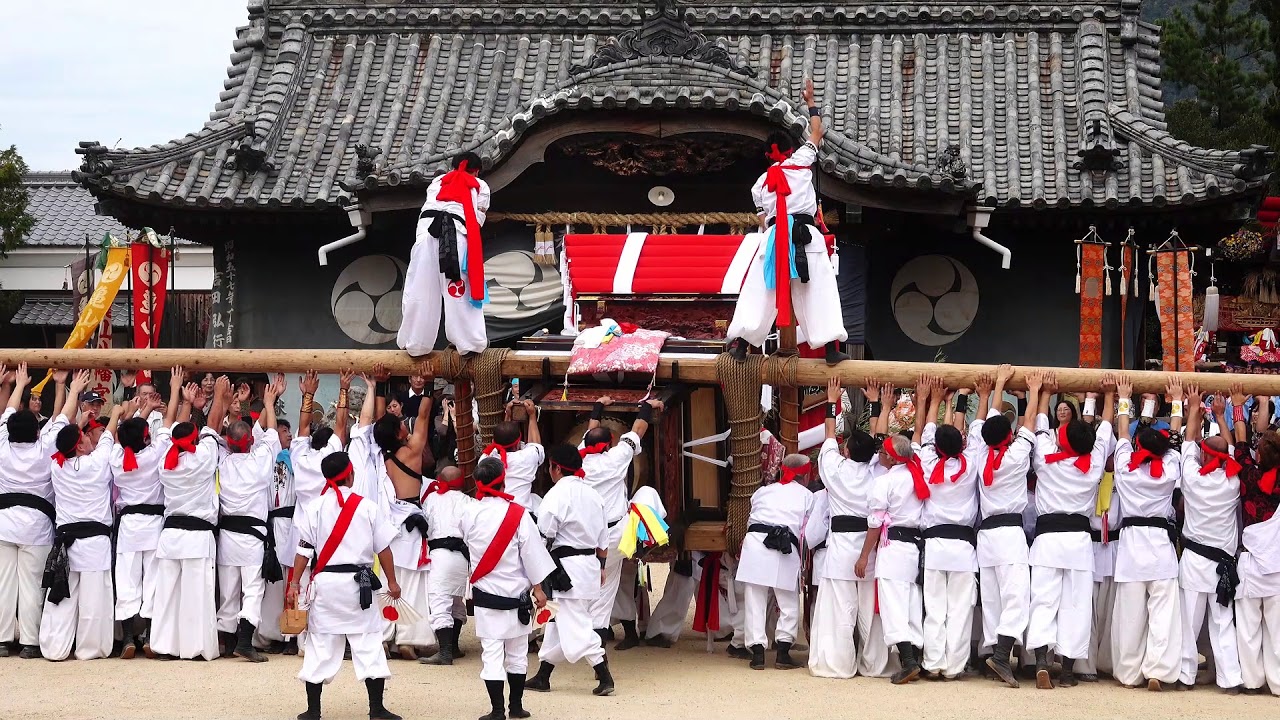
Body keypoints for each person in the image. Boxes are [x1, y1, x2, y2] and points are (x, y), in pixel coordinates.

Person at [725, 78, 848, 367]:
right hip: (805, 236)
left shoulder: (760, 184)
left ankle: (741, 344)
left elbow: (762, 220)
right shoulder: (802, 160)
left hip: (773, 238)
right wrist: (810, 102)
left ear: (769, 156)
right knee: (819, 289)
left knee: (759, 289)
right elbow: (817, 130)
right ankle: (831, 350)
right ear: (790, 150)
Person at [288, 452, 402, 720]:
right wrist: (392, 581)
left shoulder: (314, 508)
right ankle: (377, 709)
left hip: (326, 586)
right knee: (368, 643)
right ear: (350, 474)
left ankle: (313, 711)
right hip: (359, 587)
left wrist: (294, 583)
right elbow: (383, 549)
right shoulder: (368, 507)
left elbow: (303, 551)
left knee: (320, 645)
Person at [1027, 371, 1114, 689]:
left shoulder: (1046, 459)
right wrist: (1109, 396)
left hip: (1048, 540)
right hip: (1078, 541)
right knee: (1076, 604)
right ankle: (1065, 671)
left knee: (1043, 599)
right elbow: (1104, 431)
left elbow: (1040, 427)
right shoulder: (1092, 465)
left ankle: (1041, 662)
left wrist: (1045, 393)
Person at [459, 457, 556, 720]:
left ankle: (497, 710)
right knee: (517, 654)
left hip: (486, 596)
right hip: (518, 598)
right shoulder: (519, 514)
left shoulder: (468, 512)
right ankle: (516, 707)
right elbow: (531, 554)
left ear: (477, 483)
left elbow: (466, 540)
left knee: (491, 655)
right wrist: (538, 589)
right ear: (503, 481)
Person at [151, 369, 232, 661]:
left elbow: (176, 430)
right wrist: (219, 396)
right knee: (197, 593)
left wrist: (186, 403)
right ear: (194, 439)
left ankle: (164, 646)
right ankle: (195, 647)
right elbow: (212, 426)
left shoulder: (165, 461)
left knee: (168, 593)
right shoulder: (203, 457)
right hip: (197, 537)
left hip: (171, 536)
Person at [38, 373, 120, 661]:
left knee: (62, 595)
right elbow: (108, 437)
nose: (87, 435)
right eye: (84, 435)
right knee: (94, 599)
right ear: (81, 446)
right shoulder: (97, 463)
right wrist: (117, 412)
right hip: (94, 542)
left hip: (67, 542)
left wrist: (73, 394)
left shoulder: (57, 466)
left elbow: (61, 429)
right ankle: (90, 648)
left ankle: (54, 647)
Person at [1109, 377, 1183, 691]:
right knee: (1163, 613)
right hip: (1161, 549)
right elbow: (1175, 438)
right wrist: (1177, 401)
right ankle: (1157, 671)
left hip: (1131, 549)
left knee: (1130, 615)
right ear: (1163, 451)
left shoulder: (1126, 468)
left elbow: (1123, 433)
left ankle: (1129, 673)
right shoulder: (1169, 469)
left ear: (1140, 448)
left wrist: (1124, 397)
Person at [526, 444, 615, 696]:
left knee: (576, 627)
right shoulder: (594, 495)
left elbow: (544, 536)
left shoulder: (556, 495)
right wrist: (601, 567)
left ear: (556, 468)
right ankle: (543, 676)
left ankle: (604, 675)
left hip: (567, 571)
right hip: (588, 566)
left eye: (550, 466)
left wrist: (535, 571)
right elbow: (603, 540)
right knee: (558, 623)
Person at [857, 379, 930, 685]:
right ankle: (918, 658)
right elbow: (918, 436)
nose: (881, 456)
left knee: (893, 603)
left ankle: (909, 661)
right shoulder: (918, 470)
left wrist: (864, 556)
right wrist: (922, 401)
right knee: (911, 600)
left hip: (893, 547)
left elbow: (875, 523)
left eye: (883, 453)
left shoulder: (885, 482)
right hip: (913, 546)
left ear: (889, 457)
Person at [808, 377, 881, 679]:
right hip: (868, 547)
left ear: (847, 452)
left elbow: (829, 435)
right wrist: (875, 403)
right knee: (870, 614)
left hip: (840, 548)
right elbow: (876, 442)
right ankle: (876, 665)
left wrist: (831, 400)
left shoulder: (835, 470)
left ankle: (838, 664)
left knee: (840, 611)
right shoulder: (877, 472)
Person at [0, 364, 70, 659]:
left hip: (4, 524)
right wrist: (64, 386)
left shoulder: (2, 446)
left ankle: (2, 640)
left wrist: (18, 385)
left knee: (3, 584)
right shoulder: (45, 449)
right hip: (35, 527)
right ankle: (30, 641)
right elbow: (62, 418)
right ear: (38, 432)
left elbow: (7, 413)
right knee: (31, 585)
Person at [918, 377, 985, 682]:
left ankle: (933, 662)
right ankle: (954, 667)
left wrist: (934, 400)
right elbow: (978, 431)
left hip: (935, 546)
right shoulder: (970, 463)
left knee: (934, 608)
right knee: (959, 609)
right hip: (962, 548)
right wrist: (978, 396)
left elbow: (927, 432)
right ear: (962, 445)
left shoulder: (927, 460)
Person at [970, 365, 1033, 687]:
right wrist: (1033, 392)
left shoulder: (979, 452)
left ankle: (995, 655)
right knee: (1016, 595)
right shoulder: (1017, 455)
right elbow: (1030, 423)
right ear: (1010, 435)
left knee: (993, 597)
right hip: (1008, 534)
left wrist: (997, 386)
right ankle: (1001, 655)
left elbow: (986, 421)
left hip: (986, 535)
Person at [580, 396, 662, 643]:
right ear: (610, 444)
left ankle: (593, 640)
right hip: (616, 539)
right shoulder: (617, 457)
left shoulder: (578, 458)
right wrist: (648, 406)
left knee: (601, 586)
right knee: (646, 494)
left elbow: (590, 431)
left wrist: (598, 405)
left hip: (586, 538)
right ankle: (645, 541)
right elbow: (638, 429)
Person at [215, 374, 285, 663]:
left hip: (227, 537)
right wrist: (269, 402)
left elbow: (235, 433)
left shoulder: (221, 459)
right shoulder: (260, 461)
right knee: (253, 588)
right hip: (252, 538)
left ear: (228, 443)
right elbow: (270, 435)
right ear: (250, 442)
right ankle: (244, 642)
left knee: (228, 591)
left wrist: (239, 407)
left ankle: (226, 642)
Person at [1180, 386, 1245, 694]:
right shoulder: (1232, 483)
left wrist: (1194, 408)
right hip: (1222, 564)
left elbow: (1187, 445)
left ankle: (1185, 676)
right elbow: (1231, 451)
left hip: (1195, 561)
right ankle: (1230, 679)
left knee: (1189, 623)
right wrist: (1221, 416)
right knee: (1222, 623)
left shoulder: (1193, 479)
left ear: (1205, 454)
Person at [371, 364, 438, 661]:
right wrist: (429, 385)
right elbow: (423, 416)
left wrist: (381, 386)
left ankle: (384, 636)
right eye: (399, 424)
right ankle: (409, 639)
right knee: (411, 581)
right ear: (399, 432)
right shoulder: (412, 452)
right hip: (410, 520)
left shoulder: (380, 455)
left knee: (389, 579)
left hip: (389, 523)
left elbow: (379, 422)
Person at [399, 151, 493, 357]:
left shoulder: (437, 182)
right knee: (458, 289)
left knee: (420, 288)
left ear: (452, 167)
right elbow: (478, 217)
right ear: (477, 171)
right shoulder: (480, 185)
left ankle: (415, 343)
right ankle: (470, 343)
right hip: (454, 237)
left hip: (425, 237)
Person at [736, 452, 814, 671]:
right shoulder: (808, 496)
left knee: (754, 600)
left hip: (755, 544)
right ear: (806, 476)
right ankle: (782, 654)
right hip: (784, 546)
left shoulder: (762, 491)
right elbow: (809, 529)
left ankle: (757, 655)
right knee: (788, 602)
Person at [111, 389, 168, 659]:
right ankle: (149, 636)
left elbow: (124, 435)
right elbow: (166, 428)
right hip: (154, 524)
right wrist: (156, 405)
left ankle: (127, 639)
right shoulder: (154, 454)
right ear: (146, 437)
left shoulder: (116, 459)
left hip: (129, 527)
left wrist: (140, 410)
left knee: (127, 580)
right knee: (153, 580)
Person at [1235, 395, 1280, 695]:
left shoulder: (1250, 476)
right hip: (1276, 563)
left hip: (1252, 563)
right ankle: (1278, 683)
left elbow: (1240, 446)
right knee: (1277, 630)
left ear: (1260, 457)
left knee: (1249, 627)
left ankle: (1251, 681)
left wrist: (1238, 405)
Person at [419, 465, 473, 665]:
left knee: (439, 602)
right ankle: (454, 647)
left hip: (440, 555)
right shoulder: (469, 502)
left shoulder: (431, 499)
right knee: (457, 601)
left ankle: (445, 652)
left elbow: (424, 527)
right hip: (462, 557)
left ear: (440, 480)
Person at [258, 417, 299, 654]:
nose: (289, 435)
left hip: (292, 524)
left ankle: (293, 634)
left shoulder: (296, 460)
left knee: (293, 579)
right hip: (272, 524)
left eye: (289, 430)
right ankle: (273, 634)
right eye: (284, 430)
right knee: (274, 583)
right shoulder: (264, 459)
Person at [611, 482, 667, 650]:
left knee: (624, 588)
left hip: (627, 545)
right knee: (628, 588)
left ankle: (632, 634)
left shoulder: (646, 498)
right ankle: (633, 630)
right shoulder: (638, 500)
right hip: (626, 538)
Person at [485, 400, 544, 513]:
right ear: (517, 444)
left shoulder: (485, 460)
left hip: (493, 512)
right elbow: (536, 445)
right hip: (520, 513)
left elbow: (501, 439)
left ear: (493, 442)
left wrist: (508, 415)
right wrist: (532, 415)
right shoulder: (526, 458)